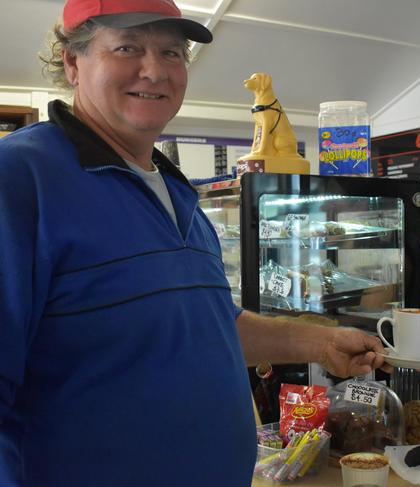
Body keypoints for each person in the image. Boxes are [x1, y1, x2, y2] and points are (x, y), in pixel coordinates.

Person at [0, 1, 385, 486]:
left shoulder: (177, 191)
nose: (154, 70)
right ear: (72, 62)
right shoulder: (18, 178)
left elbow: (210, 325)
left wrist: (321, 341)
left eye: (172, 52)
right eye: (127, 47)